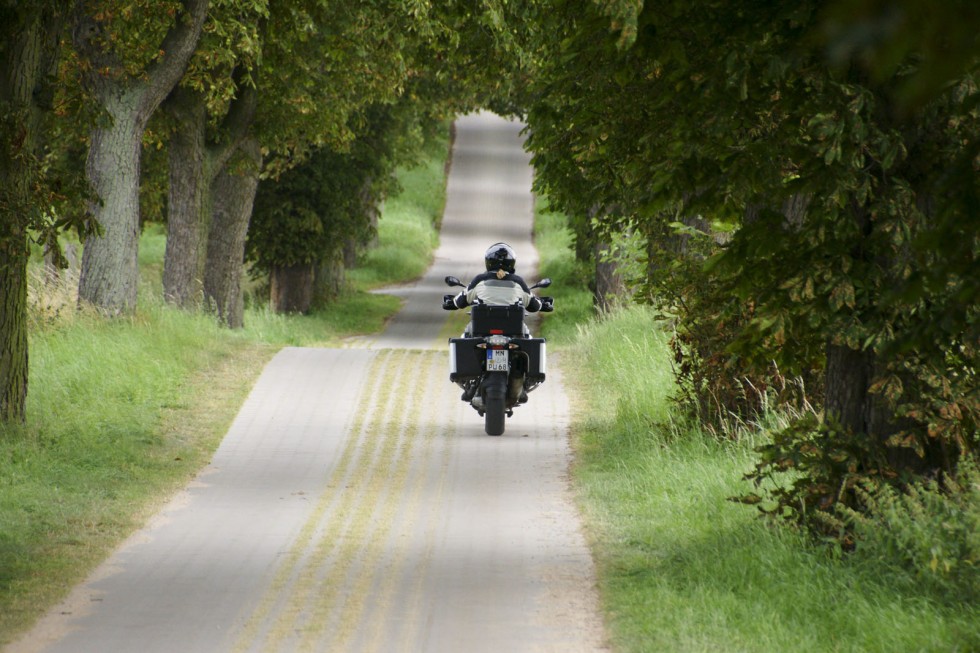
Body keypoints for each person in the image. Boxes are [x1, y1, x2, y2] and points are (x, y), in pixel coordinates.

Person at [443, 242, 545, 315]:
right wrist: (543, 304)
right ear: (512, 263)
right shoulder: (519, 282)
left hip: (481, 332)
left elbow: (459, 302)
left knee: (466, 333)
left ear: (488, 261)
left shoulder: (479, 280)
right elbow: (534, 306)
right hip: (513, 332)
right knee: (526, 333)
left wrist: (450, 302)